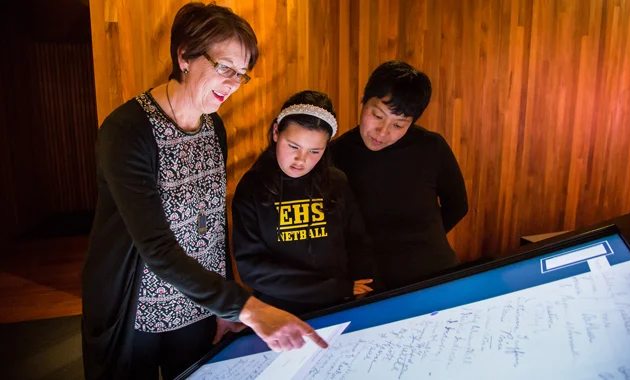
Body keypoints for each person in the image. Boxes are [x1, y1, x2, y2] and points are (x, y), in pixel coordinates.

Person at [81, 4, 326, 380]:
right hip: (138, 311)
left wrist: (224, 307)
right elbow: (156, 247)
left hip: (198, 306)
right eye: (223, 66)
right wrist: (248, 307)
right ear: (184, 56)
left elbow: (210, 227)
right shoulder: (127, 132)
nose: (231, 83)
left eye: (242, 74)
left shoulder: (214, 127)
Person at [232, 90, 380, 316]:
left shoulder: (337, 182)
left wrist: (363, 291)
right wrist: (334, 288)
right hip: (279, 314)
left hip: (340, 307)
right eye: (293, 146)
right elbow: (253, 269)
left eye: (314, 151)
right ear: (275, 132)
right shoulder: (252, 187)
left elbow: (358, 242)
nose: (301, 160)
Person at [330, 60, 469, 290]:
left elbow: (458, 205)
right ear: (363, 98)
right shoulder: (335, 155)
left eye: (399, 125)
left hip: (435, 275)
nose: (382, 132)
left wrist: (424, 239)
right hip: (370, 286)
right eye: (377, 116)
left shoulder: (431, 147)